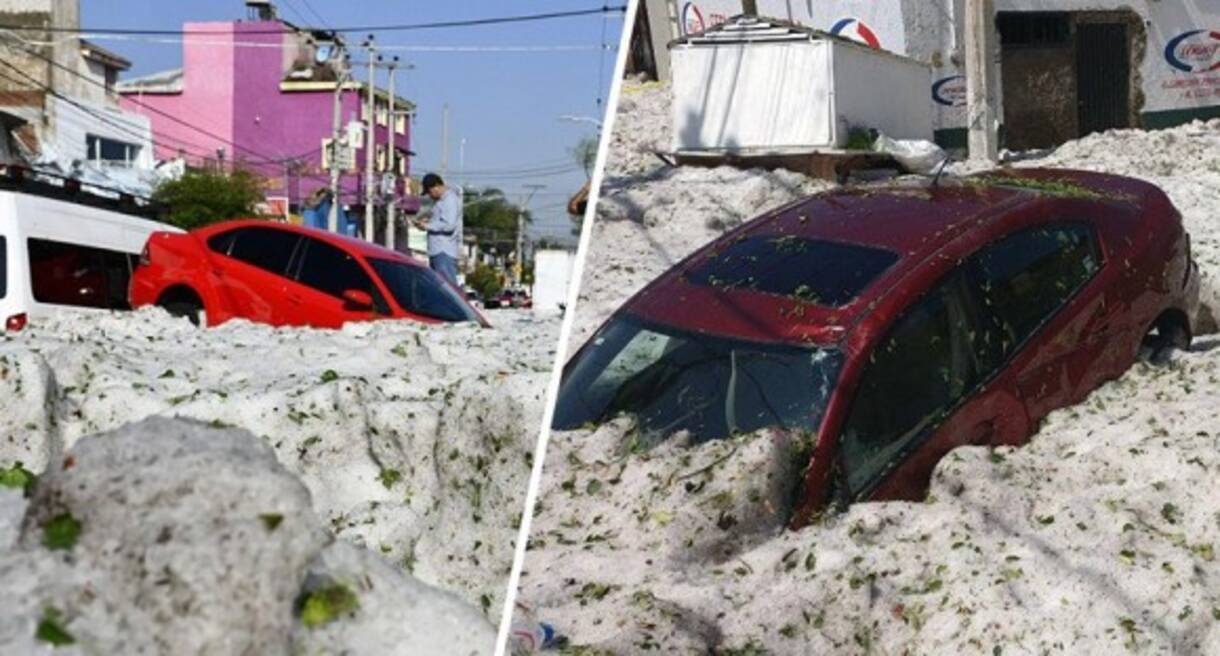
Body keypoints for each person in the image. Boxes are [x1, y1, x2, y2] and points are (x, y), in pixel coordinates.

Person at [415, 173, 463, 286]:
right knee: (439, 287)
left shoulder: (449, 200)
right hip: (437, 251)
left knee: (447, 287)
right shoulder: (440, 202)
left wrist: (427, 226)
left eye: (430, 192)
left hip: (443, 251)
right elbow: (441, 222)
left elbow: (449, 225)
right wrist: (429, 222)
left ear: (436, 186)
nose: (430, 196)